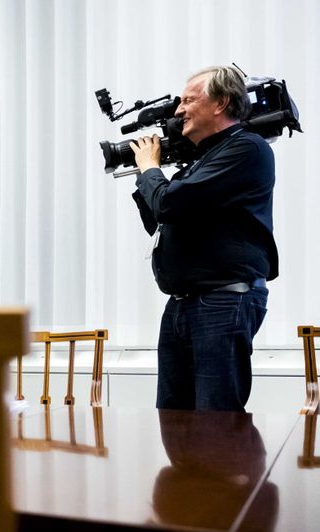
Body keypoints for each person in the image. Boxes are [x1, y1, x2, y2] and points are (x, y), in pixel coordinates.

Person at [129, 65, 277, 411]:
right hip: (183, 303)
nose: (179, 110)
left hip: (223, 300)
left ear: (221, 103)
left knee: (216, 421)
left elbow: (168, 203)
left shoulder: (247, 149)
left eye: (188, 100)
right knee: (173, 418)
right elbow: (158, 218)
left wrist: (150, 169)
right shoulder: (200, 162)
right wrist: (147, 175)